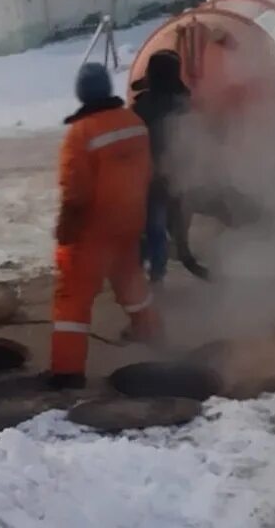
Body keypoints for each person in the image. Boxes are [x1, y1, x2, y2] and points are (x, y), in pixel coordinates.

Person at [48, 63, 164, 389]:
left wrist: (66, 230)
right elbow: (147, 172)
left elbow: (76, 194)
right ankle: (153, 332)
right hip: (128, 222)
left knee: (73, 297)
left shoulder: (81, 134)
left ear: (81, 93)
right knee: (129, 280)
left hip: (92, 232)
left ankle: (67, 372)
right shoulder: (134, 122)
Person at [131, 50, 191, 285]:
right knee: (167, 222)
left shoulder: (143, 107)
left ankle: (146, 272)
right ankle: (160, 269)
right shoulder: (184, 102)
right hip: (176, 174)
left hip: (150, 175)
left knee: (151, 226)